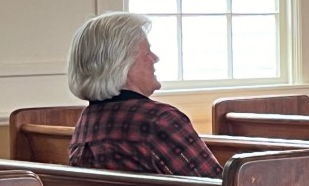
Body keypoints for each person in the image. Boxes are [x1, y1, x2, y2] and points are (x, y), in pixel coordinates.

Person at [67, 12, 223, 177]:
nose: (155, 58)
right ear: (123, 64)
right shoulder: (159, 119)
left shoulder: (88, 120)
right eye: (147, 52)